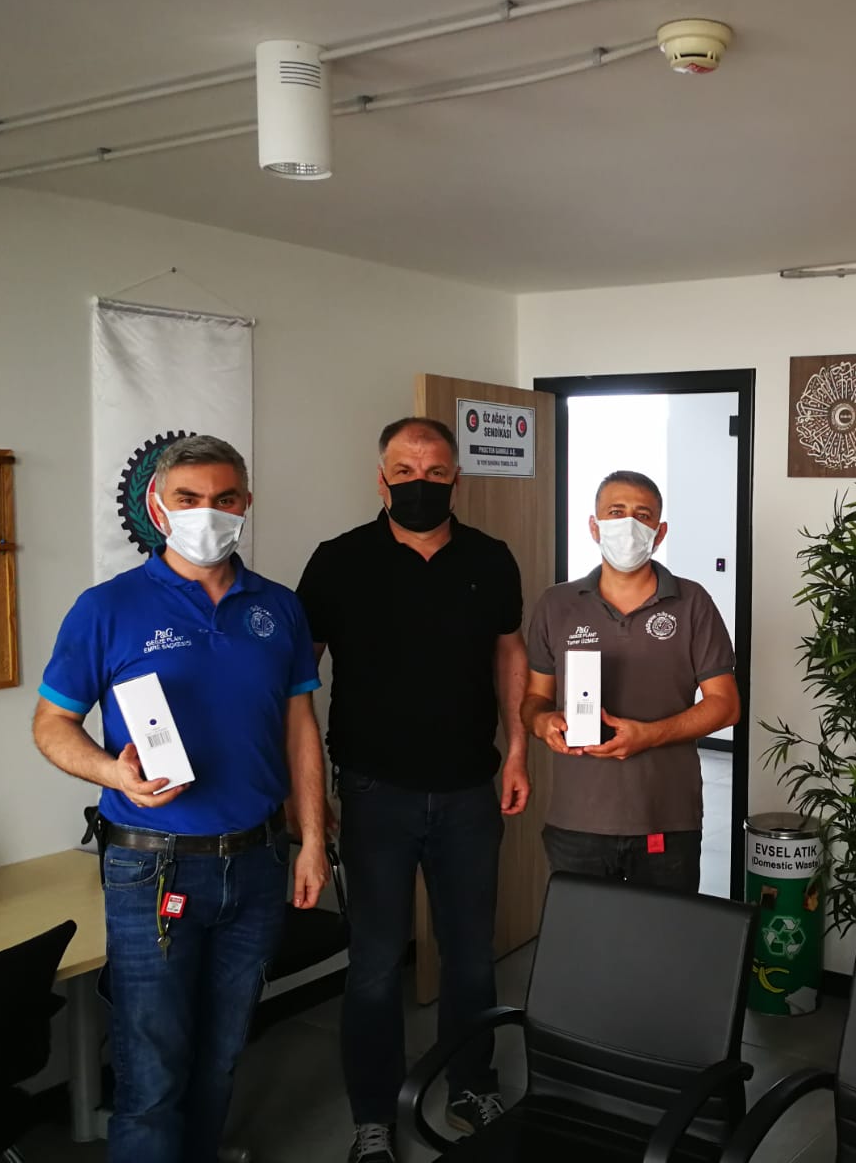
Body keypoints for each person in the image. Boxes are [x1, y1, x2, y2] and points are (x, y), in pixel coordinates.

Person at [32, 434, 328, 1163]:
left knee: (224, 1050)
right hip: (152, 868)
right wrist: (114, 774)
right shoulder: (107, 608)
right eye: (188, 499)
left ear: (246, 504)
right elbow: (51, 725)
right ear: (158, 507)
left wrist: (313, 840)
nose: (207, 513)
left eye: (224, 499)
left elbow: (300, 727)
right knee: (152, 1065)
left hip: (257, 860)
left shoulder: (279, 607)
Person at [296, 416, 529, 1163]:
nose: (419, 484)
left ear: (457, 477)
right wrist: (305, 795)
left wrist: (518, 751)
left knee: (470, 958)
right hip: (375, 795)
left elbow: (510, 654)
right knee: (372, 965)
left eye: (434, 472)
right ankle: (373, 1114)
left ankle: (471, 1086)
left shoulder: (490, 558)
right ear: (381, 479)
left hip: (468, 791)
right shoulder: (339, 561)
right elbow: (297, 680)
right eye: (404, 471)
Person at [521, 470, 739, 891]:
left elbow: (726, 705)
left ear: (660, 532)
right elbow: (534, 698)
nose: (628, 525)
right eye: (616, 512)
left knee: (664, 931)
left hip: (666, 817)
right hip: (577, 818)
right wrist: (542, 722)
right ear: (594, 526)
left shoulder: (692, 602)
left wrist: (649, 735)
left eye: (642, 516)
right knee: (584, 932)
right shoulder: (556, 604)